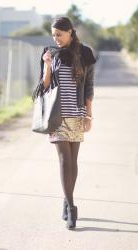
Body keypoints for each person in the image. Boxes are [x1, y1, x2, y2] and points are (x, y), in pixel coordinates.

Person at [33, 17, 96, 230]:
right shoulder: (49, 53)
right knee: (64, 161)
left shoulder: (85, 53)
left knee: (74, 161)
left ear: (70, 32)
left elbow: (89, 87)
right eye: (53, 35)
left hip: (77, 114)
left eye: (59, 34)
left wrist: (88, 115)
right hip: (56, 115)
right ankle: (71, 207)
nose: (56, 38)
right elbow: (44, 85)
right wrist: (48, 65)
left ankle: (65, 198)